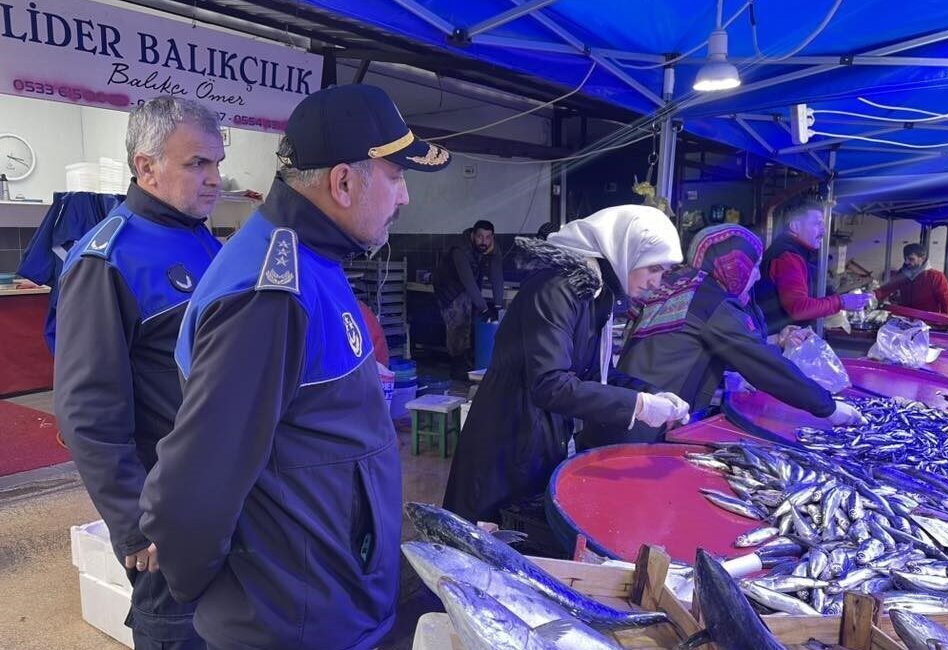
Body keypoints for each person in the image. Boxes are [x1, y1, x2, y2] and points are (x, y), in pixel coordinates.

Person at [139, 84, 450, 650]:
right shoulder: (271, 295)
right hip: (294, 621)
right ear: (344, 182)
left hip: (324, 601)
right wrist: (222, 594)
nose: (404, 196)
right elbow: (194, 486)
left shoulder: (312, 256)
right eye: (397, 176)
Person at [54, 97, 224, 649]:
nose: (214, 178)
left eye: (217, 163)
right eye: (197, 163)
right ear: (145, 166)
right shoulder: (106, 260)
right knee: (178, 630)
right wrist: (133, 521)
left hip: (224, 493)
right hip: (167, 512)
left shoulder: (203, 240)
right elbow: (86, 412)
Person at [442, 205, 691, 525]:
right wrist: (638, 406)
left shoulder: (596, 293)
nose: (657, 282)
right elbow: (550, 384)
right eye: (653, 268)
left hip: (541, 435)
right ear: (624, 250)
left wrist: (652, 394)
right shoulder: (557, 289)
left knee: (521, 532)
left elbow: (595, 372)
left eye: (664, 272)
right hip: (508, 436)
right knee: (488, 533)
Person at [580, 225, 864, 449]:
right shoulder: (712, 300)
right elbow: (763, 365)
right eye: (753, 266)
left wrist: (775, 340)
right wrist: (828, 407)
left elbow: (693, 346)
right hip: (647, 429)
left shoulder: (681, 283)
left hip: (617, 415)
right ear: (735, 265)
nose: (756, 276)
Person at [755, 200, 871, 333]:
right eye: (817, 223)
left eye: (823, 224)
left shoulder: (797, 253)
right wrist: (841, 302)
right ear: (795, 226)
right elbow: (799, 309)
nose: (824, 230)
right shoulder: (788, 257)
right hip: (780, 338)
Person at [432, 219, 504, 376]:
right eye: (480, 237)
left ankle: (470, 360)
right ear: (472, 235)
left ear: (492, 237)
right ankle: (457, 365)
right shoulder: (460, 250)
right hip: (449, 288)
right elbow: (468, 280)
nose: (484, 241)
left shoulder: (492, 247)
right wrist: (484, 308)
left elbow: (496, 275)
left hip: (468, 287)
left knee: (474, 321)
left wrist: (498, 306)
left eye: (488, 237)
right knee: (458, 323)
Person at [875, 243, 948, 314]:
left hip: (927, 320)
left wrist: (945, 320)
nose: (907, 262)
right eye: (905, 259)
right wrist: (871, 296)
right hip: (904, 317)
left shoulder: (936, 276)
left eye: (911, 259)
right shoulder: (902, 274)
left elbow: (946, 302)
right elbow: (885, 290)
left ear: (922, 258)